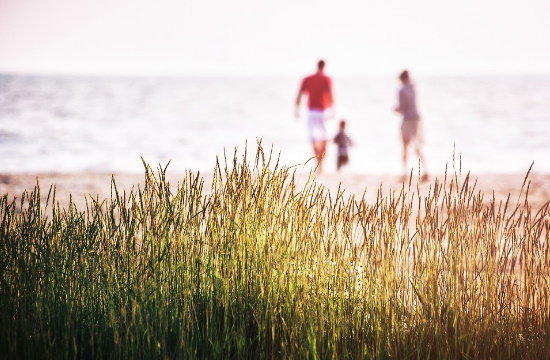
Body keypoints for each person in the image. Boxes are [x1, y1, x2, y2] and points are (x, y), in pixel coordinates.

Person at [295, 59, 334, 173]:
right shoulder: (327, 79)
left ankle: (319, 164)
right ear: (324, 66)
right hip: (324, 111)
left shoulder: (307, 79)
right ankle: (321, 164)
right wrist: (333, 108)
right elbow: (331, 95)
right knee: (324, 138)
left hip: (312, 112)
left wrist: (297, 109)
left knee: (315, 138)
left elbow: (299, 95)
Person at [394, 70, 429, 182]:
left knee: (405, 146)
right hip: (418, 118)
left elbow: (403, 108)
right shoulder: (415, 88)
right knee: (417, 147)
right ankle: (426, 170)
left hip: (408, 119)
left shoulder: (402, 90)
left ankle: (405, 172)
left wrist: (396, 109)